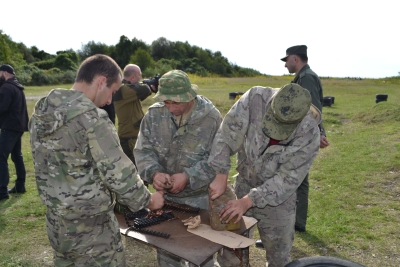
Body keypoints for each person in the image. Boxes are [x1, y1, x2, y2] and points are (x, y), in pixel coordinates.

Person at [28, 54, 164, 266]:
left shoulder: (41, 113)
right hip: (92, 229)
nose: (110, 101)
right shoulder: (93, 119)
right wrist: (148, 200)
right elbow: (120, 175)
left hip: (57, 224)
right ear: (101, 82)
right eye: (112, 92)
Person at [208, 83, 321, 267]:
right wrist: (221, 173)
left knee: (278, 257)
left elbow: (286, 180)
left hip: (279, 199)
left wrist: (246, 202)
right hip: (244, 182)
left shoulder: (309, 133)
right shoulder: (255, 99)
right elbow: (227, 134)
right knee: (231, 250)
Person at [134, 69, 222, 267]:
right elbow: (143, 150)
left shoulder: (211, 118)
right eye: (167, 102)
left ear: (190, 96)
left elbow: (218, 159)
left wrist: (189, 176)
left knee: (202, 256)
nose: (171, 108)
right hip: (165, 203)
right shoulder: (154, 115)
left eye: (176, 102)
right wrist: (154, 173)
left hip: (200, 200)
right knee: (167, 254)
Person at [282, 45, 330, 233]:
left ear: (295, 58)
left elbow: (313, 108)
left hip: (303, 136)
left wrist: (319, 133)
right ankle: (296, 223)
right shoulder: (303, 77)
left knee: (296, 178)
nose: (285, 64)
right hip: (300, 134)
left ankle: (295, 223)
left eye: (286, 60)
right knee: (298, 178)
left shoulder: (306, 77)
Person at [113, 64, 152, 165]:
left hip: (133, 137)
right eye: (140, 76)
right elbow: (145, 90)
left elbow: (143, 93)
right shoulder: (123, 89)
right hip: (129, 139)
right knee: (135, 170)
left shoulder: (127, 90)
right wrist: (150, 85)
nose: (141, 78)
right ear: (133, 77)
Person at [0, 64, 29, 201]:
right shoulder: (17, 86)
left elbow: (2, 108)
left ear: (5, 73)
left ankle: (2, 191)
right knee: (17, 155)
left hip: (10, 127)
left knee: (1, 157)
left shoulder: (6, 87)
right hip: (19, 126)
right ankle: (20, 185)